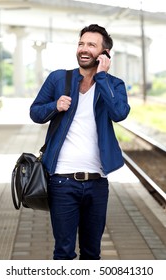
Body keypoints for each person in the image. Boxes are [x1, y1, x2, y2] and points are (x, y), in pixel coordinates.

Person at [30, 24, 130, 260]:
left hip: (97, 182)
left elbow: (119, 113)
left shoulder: (114, 85)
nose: (84, 49)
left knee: (92, 253)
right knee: (63, 252)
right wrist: (55, 106)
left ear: (105, 54)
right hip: (62, 181)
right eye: (81, 43)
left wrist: (102, 77)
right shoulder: (58, 78)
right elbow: (35, 113)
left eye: (91, 45)